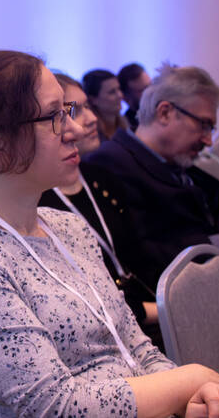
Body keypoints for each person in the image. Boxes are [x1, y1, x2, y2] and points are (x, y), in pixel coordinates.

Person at [0, 50, 219, 418]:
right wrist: (186, 382)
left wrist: (192, 397)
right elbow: (55, 407)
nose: (76, 130)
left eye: (68, 111)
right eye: (54, 117)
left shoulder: (68, 228)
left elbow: (135, 349)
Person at [85, 63, 219, 293]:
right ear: (165, 113)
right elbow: (142, 257)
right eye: (204, 125)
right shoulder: (109, 164)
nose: (208, 140)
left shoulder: (172, 163)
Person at [38, 73, 160, 347]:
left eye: (88, 107)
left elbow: (140, 254)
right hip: (109, 330)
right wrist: (163, 309)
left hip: (138, 313)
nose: (90, 120)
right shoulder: (38, 204)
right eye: (72, 111)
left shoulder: (101, 178)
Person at [83, 68, 128, 141]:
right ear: (93, 100)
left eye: (119, 89)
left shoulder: (126, 126)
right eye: (112, 92)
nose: (120, 95)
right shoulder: (91, 136)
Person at [118, 62, 151, 131]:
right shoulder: (126, 129)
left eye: (150, 85)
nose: (151, 92)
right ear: (125, 98)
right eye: (143, 90)